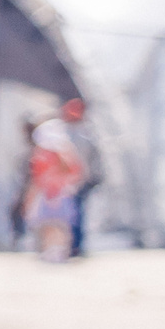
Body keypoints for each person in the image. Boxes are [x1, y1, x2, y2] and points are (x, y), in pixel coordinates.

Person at [25, 117, 87, 263]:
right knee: (56, 225)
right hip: (53, 195)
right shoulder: (51, 156)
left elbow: (37, 180)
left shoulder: (53, 156)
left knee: (54, 225)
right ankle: (56, 250)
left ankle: (56, 250)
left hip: (56, 195)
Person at [61, 97, 102, 256]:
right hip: (64, 182)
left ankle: (75, 245)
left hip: (79, 181)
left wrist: (94, 176)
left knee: (76, 214)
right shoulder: (63, 133)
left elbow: (95, 158)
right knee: (69, 214)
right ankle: (67, 245)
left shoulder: (84, 133)